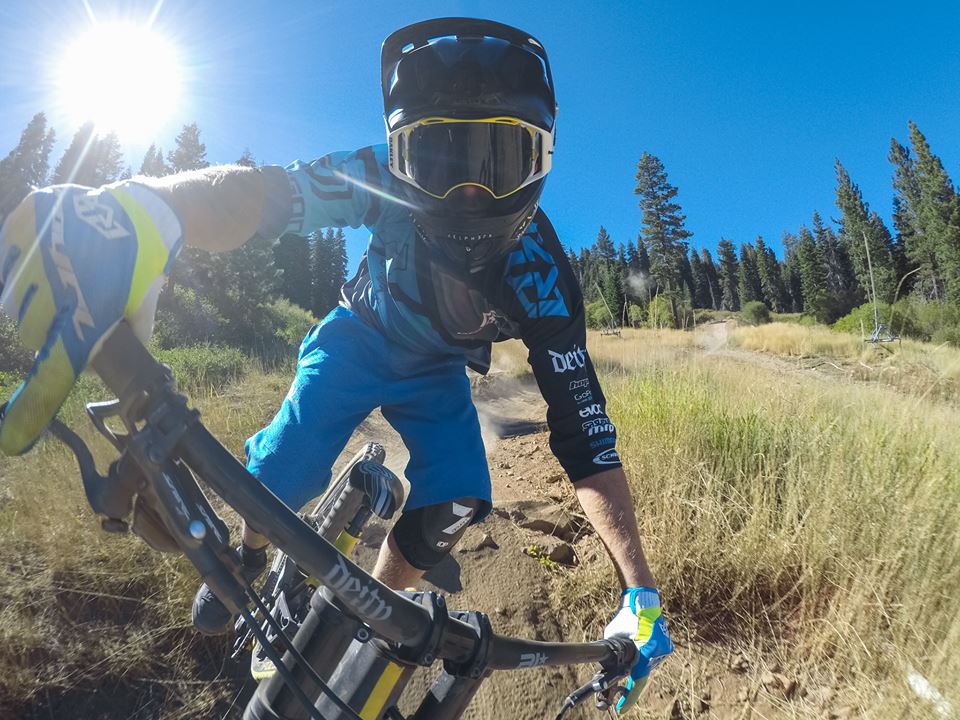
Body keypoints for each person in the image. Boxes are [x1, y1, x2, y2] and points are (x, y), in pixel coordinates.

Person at [0, 17, 672, 712]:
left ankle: (366, 609)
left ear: (542, 161)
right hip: (358, 335)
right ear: (398, 156)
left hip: (435, 372)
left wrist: (640, 589)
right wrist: (149, 210)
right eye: (437, 159)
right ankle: (253, 552)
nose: (468, 193)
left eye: (499, 161)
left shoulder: (546, 279)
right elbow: (269, 195)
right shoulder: (390, 185)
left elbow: (587, 439)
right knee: (276, 477)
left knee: (459, 500)